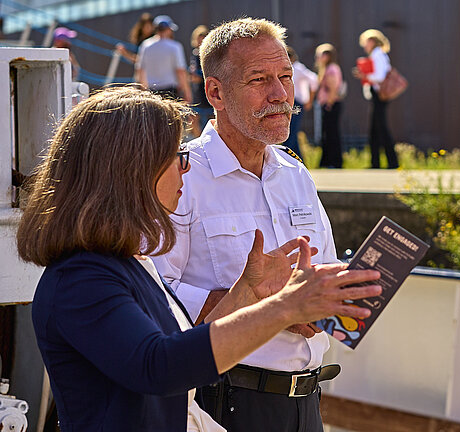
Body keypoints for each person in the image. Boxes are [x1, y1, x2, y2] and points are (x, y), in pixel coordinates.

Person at [17, 86, 381, 432]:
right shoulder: (83, 277)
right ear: (131, 171)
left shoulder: (125, 264)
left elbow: (184, 345)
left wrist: (247, 293)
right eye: (177, 157)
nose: (185, 169)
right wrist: (284, 308)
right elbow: (160, 367)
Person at [151, 18, 343, 431]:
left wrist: (327, 299)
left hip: (306, 405)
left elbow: (323, 269)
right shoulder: (181, 176)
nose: (280, 95)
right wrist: (274, 306)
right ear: (215, 92)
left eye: (286, 77)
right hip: (222, 404)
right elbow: (157, 298)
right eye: (259, 80)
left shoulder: (295, 174)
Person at [355, 29, 398, 169]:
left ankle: (392, 162)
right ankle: (376, 162)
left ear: (372, 41)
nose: (364, 45)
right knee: (375, 130)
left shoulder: (378, 54)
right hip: (376, 95)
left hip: (379, 95)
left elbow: (379, 77)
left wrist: (364, 76)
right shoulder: (378, 54)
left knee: (382, 128)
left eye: (366, 42)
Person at [136, 15, 192, 103]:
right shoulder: (175, 46)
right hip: (170, 91)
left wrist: (143, 92)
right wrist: (187, 92)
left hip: (151, 91)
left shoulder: (145, 45)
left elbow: (140, 70)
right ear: (169, 29)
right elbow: (180, 70)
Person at [284, 46, 318, 160]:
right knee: (290, 131)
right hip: (290, 102)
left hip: (296, 102)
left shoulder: (297, 68)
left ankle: (290, 157)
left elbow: (313, 79)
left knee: (291, 131)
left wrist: (310, 99)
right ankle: (297, 159)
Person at [315, 43, 344, 168]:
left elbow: (333, 88)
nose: (317, 58)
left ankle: (334, 161)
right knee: (327, 132)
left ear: (327, 56)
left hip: (330, 104)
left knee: (332, 133)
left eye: (319, 55)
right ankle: (327, 161)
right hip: (328, 104)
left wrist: (329, 103)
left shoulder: (331, 69)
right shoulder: (328, 68)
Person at [189, 25, 213, 137]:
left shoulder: (211, 54)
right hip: (198, 92)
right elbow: (194, 76)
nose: (201, 40)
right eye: (199, 37)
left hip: (210, 91)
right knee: (194, 118)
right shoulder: (195, 54)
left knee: (212, 119)